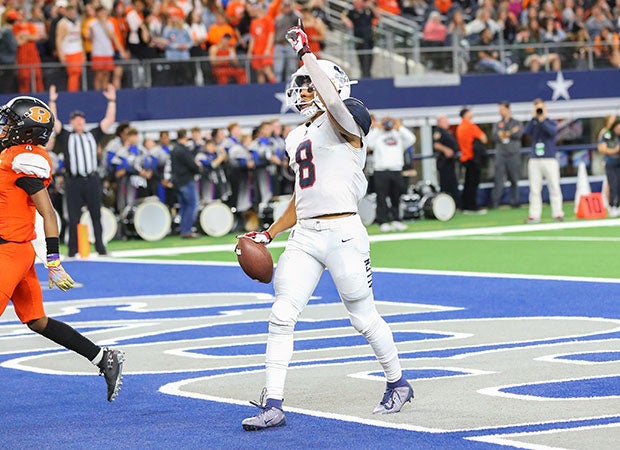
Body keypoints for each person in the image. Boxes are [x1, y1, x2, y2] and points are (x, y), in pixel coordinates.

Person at [239, 24, 413, 431]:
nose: (300, 92)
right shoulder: (295, 134)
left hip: (344, 234)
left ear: (327, 84)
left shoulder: (348, 117)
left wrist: (306, 54)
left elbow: (335, 105)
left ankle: (398, 382)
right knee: (282, 314)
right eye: (298, 86)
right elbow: (301, 197)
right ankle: (274, 403)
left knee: (363, 318)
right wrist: (270, 233)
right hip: (306, 236)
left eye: (307, 85)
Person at [0, 95, 124, 402]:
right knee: (37, 321)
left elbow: (49, 213)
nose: (4, 127)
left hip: (11, 252)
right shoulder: (8, 154)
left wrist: (53, 260)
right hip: (14, 250)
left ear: (26, 131)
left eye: (10, 123)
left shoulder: (24, 160)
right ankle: (102, 357)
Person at [48, 83, 117, 257]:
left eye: (81, 118)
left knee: (96, 215)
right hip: (74, 181)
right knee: (73, 217)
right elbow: (54, 122)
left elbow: (108, 121)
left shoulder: (92, 134)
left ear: (84, 121)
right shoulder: (67, 135)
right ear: (71, 122)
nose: (79, 121)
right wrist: (52, 101)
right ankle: (73, 250)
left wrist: (112, 101)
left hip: (92, 180)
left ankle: (101, 248)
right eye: (76, 119)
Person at [367, 116, 416, 232]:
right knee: (381, 197)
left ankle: (396, 220)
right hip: (380, 170)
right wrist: (378, 128)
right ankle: (382, 222)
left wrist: (399, 127)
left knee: (396, 197)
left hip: (396, 169)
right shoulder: (377, 135)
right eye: (385, 122)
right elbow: (369, 143)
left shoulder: (398, 134)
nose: (387, 124)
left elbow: (412, 139)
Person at [523, 98, 564, 223]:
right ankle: (534, 214)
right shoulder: (533, 122)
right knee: (535, 188)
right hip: (535, 158)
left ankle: (557, 212)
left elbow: (552, 132)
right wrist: (534, 117)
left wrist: (542, 119)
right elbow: (526, 132)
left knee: (554, 186)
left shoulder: (550, 122)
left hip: (549, 158)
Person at [456, 107, 488, 214]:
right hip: (473, 158)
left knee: (467, 183)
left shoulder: (460, 127)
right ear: (465, 114)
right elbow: (484, 138)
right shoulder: (470, 126)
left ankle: (465, 205)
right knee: (473, 184)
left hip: (465, 158)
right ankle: (472, 206)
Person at [491, 101, 523, 209]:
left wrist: (504, 133)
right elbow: (495, 136)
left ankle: (515, 201)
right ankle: (495, 202)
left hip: (513, 154)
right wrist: (509, 132)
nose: (500, 112)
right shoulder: (497, 124)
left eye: (502, 109)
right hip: (501, 154)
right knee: (498, 179)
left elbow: (518, 134)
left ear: (508, 109)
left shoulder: (516, 122)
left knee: (514, 179)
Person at [170, 128, 201, 238]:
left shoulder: (175, 149)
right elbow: (191, 164)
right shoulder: (182, 150)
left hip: (177, 182)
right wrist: (198, 167)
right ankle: (187, 230)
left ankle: (183, 229)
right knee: (192, 205)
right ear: (185, 136)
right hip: (186, 181)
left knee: (184, 206)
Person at [341, 0, 380, 79]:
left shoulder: (367, 11)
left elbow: (378, 16)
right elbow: (343, 17)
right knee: (362, 58)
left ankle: (368, 74)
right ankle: (365, 74)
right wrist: (346, 21)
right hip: (359, 40)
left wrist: (371, 6)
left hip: (369, 39)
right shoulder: (351, 12)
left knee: (369, 57)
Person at [433, 114, 460, 208]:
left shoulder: (447, 132)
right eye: (445, 120)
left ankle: (455, 204)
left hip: (450, 162)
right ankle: (444, 205)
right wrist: (446, 150)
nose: (447, 122)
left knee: (453, 183)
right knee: (445, 184)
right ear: (440, 122)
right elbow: (436, 144)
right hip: (444, 162)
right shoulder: (438, 132)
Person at [597, 119, 620, 217]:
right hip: (611, 163)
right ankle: (612, 206)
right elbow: (601, 148)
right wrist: (614, 150)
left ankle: (618, 205)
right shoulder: (607, 134)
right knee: (613, 184)